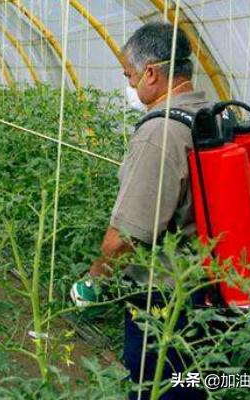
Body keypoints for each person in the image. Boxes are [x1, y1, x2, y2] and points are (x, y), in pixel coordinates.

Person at [71, 22, 212, 400]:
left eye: (130, 76)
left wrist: (93, 282)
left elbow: (125, 239)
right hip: (211, 294)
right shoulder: (209, 115)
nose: (131, 86)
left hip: (165, 306)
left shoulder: (160, 131)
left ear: (151, 72)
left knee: (159, 389)